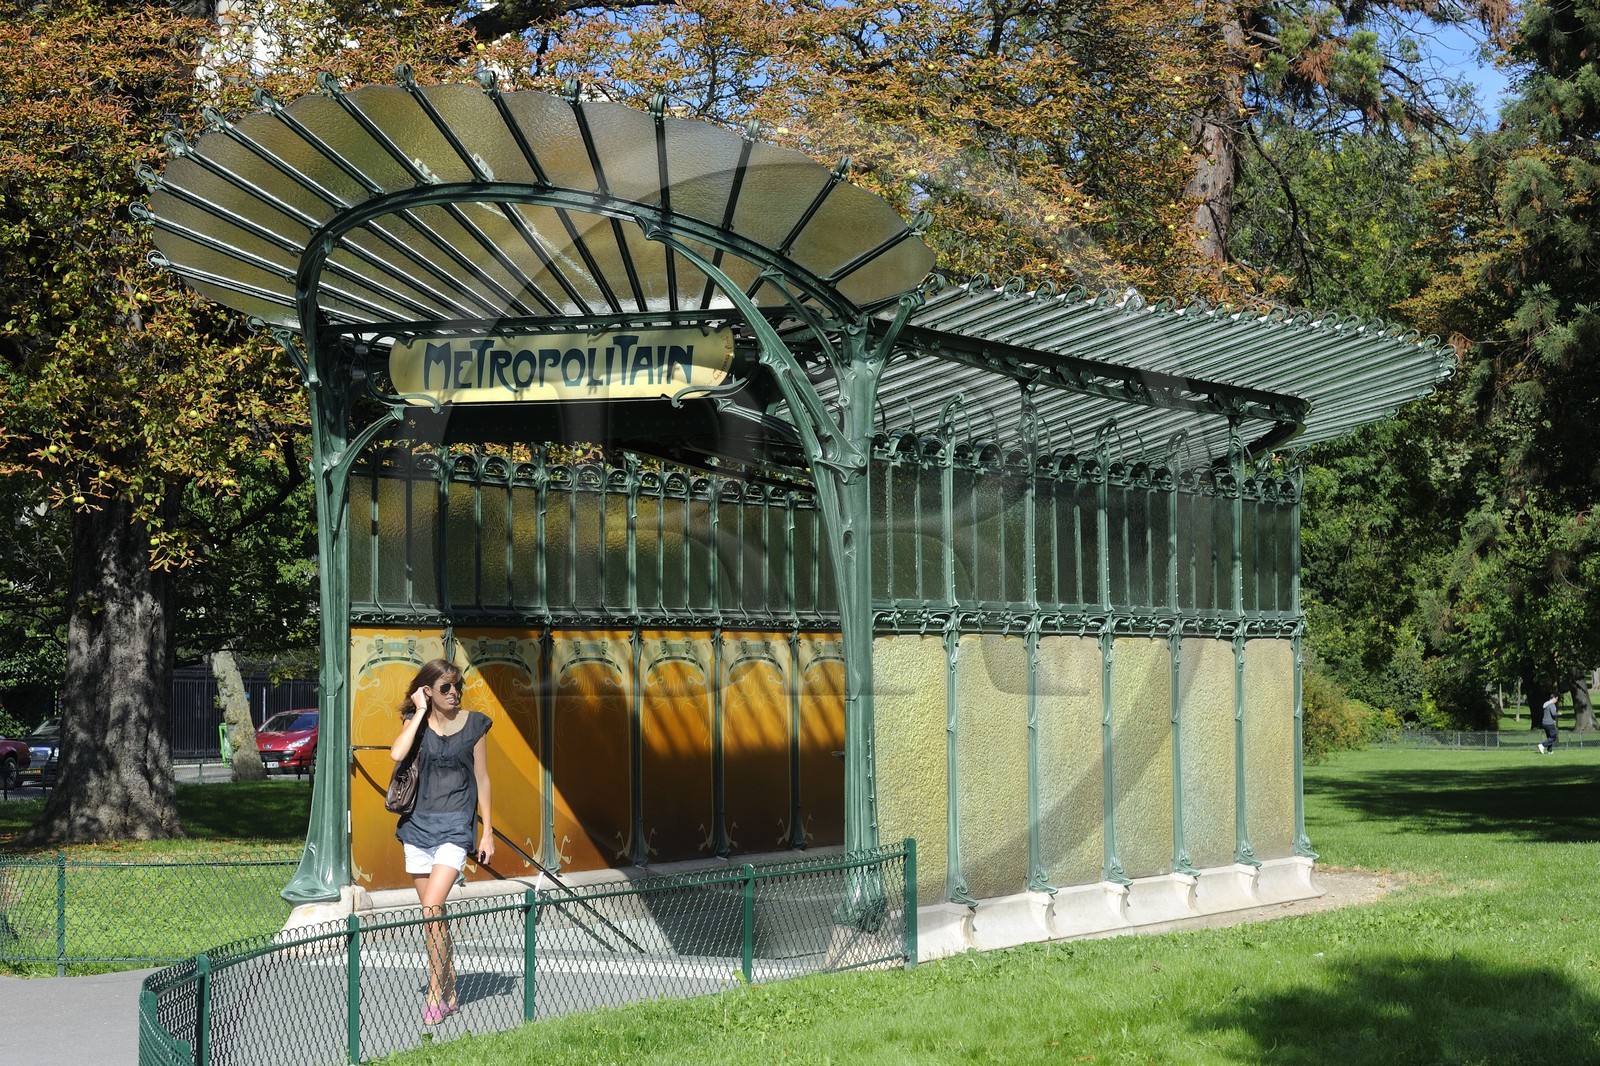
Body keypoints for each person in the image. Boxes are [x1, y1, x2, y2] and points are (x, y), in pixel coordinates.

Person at [390, 659, 494, 1025]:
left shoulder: (476, 725)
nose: (454, 693)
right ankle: (450, 990)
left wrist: (488, 831)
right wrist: (418, 712)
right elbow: (397, 754)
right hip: (417, 828)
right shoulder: (415, 723)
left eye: (457, 687)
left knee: (432, 906)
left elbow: (483, 779)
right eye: (445, 688)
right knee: (434, 918)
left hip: (455, 829)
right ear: (428, 690)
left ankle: (435, 991)